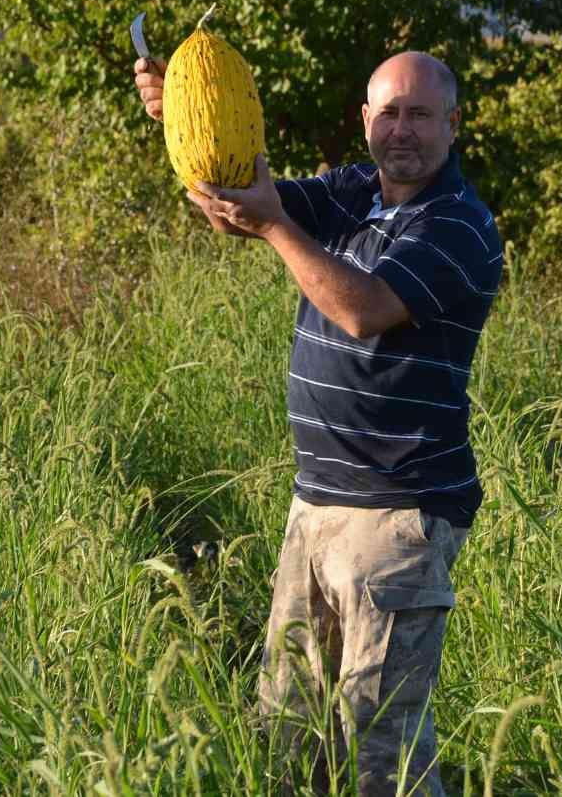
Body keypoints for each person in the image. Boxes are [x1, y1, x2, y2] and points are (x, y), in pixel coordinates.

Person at [134, 49, 503, 796]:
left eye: (421, 114)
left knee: (382, 743)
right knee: (289, 729)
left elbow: (363, 309)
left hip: (398, 515)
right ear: (365, 121)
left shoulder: (460, 226)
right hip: (316, 506)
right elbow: (243, 200)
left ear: (453, 125)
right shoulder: (350, 192)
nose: (403, 130)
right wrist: (184, 112)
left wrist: (274, 229)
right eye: (389, 112)